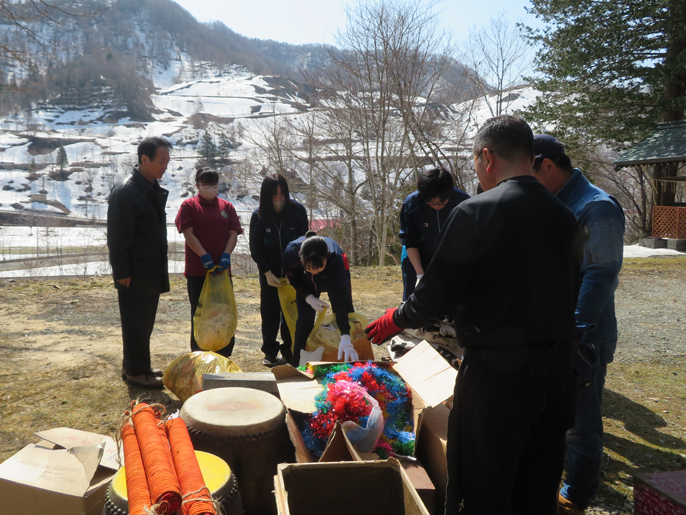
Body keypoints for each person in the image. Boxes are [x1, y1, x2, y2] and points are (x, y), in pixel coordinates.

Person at [366, 115, 582, 515]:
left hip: (498, 378)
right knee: (537, 486)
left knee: (487, 487)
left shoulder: (477, 213)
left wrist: (398, 317)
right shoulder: (564, 216)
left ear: (487, 157)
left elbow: (435, 295)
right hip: (555, 376)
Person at [533, 134, 625, 515]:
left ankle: (578, 493)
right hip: (558, 333)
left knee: (580, 421)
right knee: (555, 414)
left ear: (548, 166)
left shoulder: (596, 207)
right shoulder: (558, 203)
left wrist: (574, 332)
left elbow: (601, 274)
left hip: (582, 338)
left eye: (530, 173)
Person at [107, 136, 172, 389]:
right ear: (144, 159)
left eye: (167, 161)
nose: (164, 166)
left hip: (149, 269)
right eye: (161, 161)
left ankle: (136, 366)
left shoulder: (148, 187)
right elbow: (118, 236)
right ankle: (136, 373)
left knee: (143, 323)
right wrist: (122, 271)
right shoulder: (127, 191)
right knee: (135, 323)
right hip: (134, 271)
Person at [175, 168, 243, 357]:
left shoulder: (226, 207)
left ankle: (223, 352)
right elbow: (188, 233)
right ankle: (200, 353)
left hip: (222, 271)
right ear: (197, 185)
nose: (211, 188)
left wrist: (226, 255)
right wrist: (203, 255)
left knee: (223, 312)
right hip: (198, 271)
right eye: (206, 184)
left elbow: (233, 234)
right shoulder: (189, 206)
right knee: (201, 313)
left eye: (214, 184)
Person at [249, 174, 308, 367]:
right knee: (270, 310)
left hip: (293, 272)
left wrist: (295, 271)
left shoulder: (298, 211)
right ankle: (270, 351)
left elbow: (304, 243)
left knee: (292, 311)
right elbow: (256, 247)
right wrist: (266, 272)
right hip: (270, 273)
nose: (279, 200)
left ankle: (291, 349)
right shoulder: (258, 216)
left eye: (282, 195)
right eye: (274, 196)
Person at [282, 232, 358, 367]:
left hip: (332, 275)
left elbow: (340, 300)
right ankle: (298, 363)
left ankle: (348, 354)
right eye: (309, 268)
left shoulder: (335, 260)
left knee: (344, 312)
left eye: (319, 267)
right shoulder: (290, 253)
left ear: (327, 255)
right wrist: (308, 297)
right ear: (300, 255)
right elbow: (294, 278)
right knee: (304, 320)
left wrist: (345, 335)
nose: (314, 272)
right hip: (306, 283)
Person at [399, 167, 469, 300]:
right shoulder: (412, 204)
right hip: (418, 256)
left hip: (452, 259)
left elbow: (467, 241)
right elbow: (410, 240)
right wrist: (420, 274)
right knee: (413, 300)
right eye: (431, 203)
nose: (437, 206)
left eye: (442, 203)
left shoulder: (463, 203)